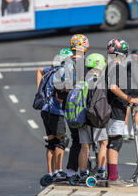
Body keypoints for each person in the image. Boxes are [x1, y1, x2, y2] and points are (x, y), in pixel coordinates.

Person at [106, 39, 138, 186]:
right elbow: (113, 87)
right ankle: (112, 178)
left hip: (110, 109)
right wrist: (128, 98)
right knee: (115, 142)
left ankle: (110, 175)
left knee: (111, 142)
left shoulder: (109, 66)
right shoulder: (116, 67)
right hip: (115, 110)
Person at [36, 48, 74, 184]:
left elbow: (39, 70)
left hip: (45, 110)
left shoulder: (51, 69)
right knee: (61, 141)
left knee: (51, 143)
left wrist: (39, 91)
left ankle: (50, 172)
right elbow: (60, 97)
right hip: (56, 111)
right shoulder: (63, 73)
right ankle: (58, 171)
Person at [73, 53, 109, 185]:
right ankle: (101, 172)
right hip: (95, 117)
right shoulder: (98, 81)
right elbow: (100, 103)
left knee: (84, 146)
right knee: (103, 143)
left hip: (81, 117)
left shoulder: (82, 81)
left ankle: (83, 174)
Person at [65, 34, 90, 178]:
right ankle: (83, 169)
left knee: (75, 138)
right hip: (82, 106)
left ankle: (71, 169)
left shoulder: (65, 63)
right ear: (85, 47)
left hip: (68, 106)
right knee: (85, 140)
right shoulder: (87, 64)